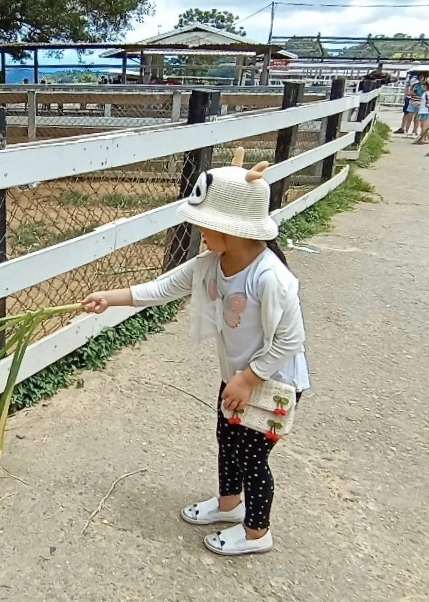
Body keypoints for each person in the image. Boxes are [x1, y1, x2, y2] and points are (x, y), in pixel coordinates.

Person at [81, 147, 310, 557]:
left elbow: (290, 341)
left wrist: (248, 377)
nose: (199, 232)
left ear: (234, 229)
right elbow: (161, 288)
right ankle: (228, 505)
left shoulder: (271, 277)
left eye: (205, 224)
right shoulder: (211, 263)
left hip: (271, 381)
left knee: (253, 457)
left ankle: (258, 532)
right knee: (227, 439)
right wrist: (109, 298)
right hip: (238, 377)